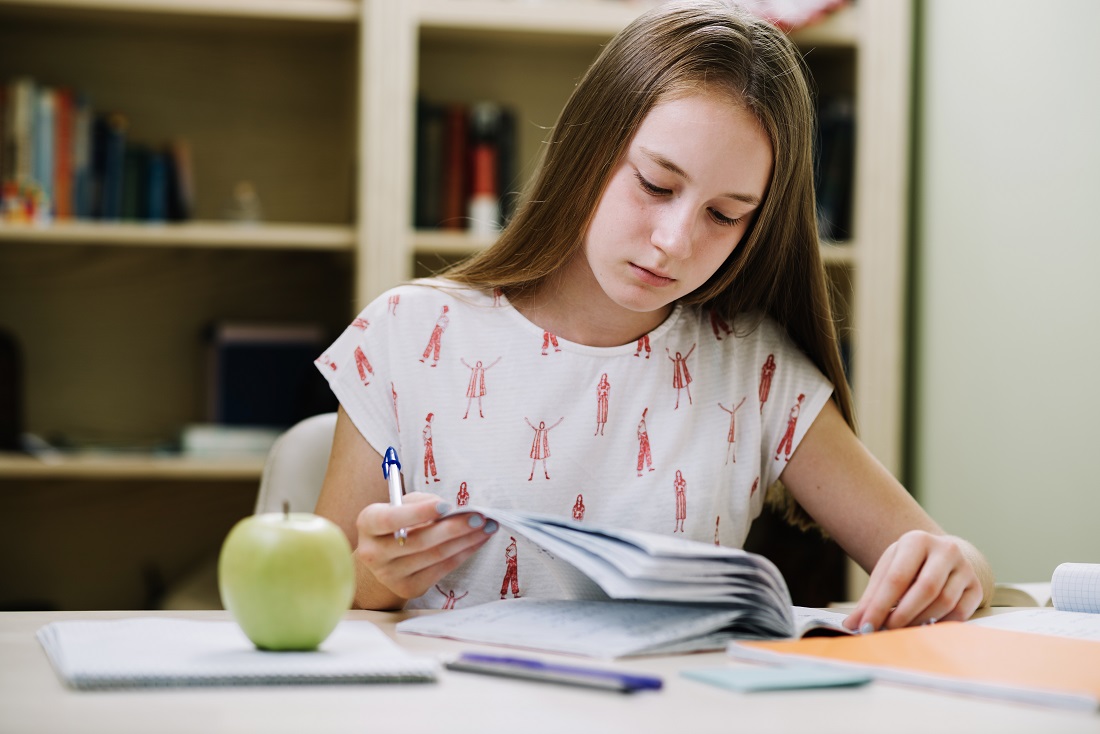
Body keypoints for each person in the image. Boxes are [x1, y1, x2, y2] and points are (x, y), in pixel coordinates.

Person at [314, 0, 993, 633]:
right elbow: (323, 596)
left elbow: (939, 558)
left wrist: (958, 565)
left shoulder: (753, 370)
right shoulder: (408, 334)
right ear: (589, 147)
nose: (675, 242)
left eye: (724, 215)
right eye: (656, 185)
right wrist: (377, 575)